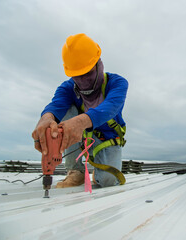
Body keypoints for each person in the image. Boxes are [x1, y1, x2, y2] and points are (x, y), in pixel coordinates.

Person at [32, 33, 128, 188]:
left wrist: (81, 122)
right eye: (77, 76)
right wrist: (46, 118)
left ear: (99, 64)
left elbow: (110, 107)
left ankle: (99, 171)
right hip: (77, 139)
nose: (83, 80)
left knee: (109, 181)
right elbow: (56, 106)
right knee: (62, 112)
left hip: (106, 139)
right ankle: (75, 171)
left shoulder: (117, 83)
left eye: (88, 73)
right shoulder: (67, 88)